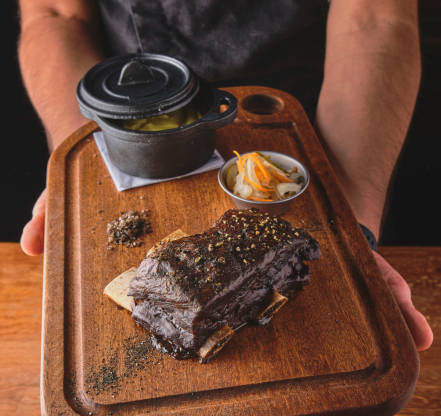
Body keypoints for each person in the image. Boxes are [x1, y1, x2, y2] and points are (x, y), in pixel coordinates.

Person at [18, 0, 433, 351]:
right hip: (132, 111)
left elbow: (374, 17)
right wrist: (84, 162)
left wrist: (348, 223)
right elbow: (56, 14)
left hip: (314, 133)